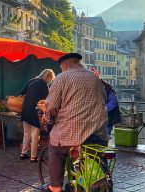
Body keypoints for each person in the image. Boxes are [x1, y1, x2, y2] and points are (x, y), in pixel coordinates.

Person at [44, 53, 108, 192]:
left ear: (65, 65)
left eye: (61, 68)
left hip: (71, 133)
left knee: (55, 149)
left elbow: (51, 107)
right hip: (99, 133)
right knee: (92, 154)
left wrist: (48, 119)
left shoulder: (62, 78)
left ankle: (54, 187)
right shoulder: (94, 77)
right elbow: (104, 99)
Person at [20, 69, 55, 162]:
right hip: (35, 111)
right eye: (50, 78)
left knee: (26, 133)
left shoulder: (31, 81)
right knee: (35, 135)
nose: (50, 81)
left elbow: (22, 92)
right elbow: (46, 99)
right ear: (47, 76)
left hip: (25, 109)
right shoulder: (43, 84)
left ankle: (23, 153)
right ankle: (33, 157)